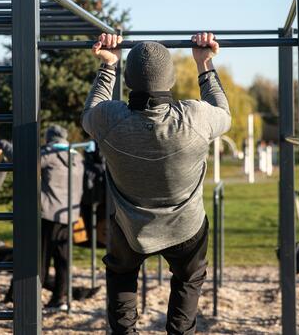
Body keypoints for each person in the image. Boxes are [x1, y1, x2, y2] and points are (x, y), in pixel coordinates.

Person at [82, 32, 231, 334]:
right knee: (188, 279)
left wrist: (108, 65)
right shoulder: (194, 117)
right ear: (171, 80)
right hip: (186, 227)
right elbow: (225, 115)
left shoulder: (109, 120)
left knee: (121, 273)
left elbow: (90, 111)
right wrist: (204, 65)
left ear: (129, 81)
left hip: (130, 226)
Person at [39, 124, 85, 310]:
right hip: (69, 214)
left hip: (49, 213)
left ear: (49, 138)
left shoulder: (48, 156)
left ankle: (31, 299)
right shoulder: (77, 157)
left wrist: (6, 147)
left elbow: (23, 162)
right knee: (63, 259)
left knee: (40, 259)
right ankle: (59, 298)